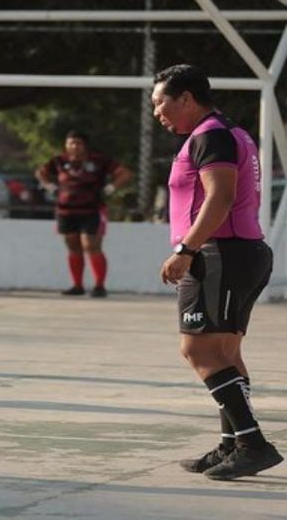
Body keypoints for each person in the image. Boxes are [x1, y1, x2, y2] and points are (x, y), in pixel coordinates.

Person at [153, 64, 282, 480]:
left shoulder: (211, 135)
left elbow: (219, 197)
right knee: (226, 354)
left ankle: (252, 444)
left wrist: (186, 250)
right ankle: (233, 445)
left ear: (186, 98)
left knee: (198, 351)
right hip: (239, 252)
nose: (157, 112)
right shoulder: (226, 131)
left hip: (220, 254)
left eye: (161, 103)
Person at [35, 130, 132, 298]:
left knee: (91, 246)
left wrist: (111, 188)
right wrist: (49, 186)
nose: (74, 146)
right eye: (70, 143)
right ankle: (77, 285)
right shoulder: (59, 161)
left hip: (92, 210)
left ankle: (99, 286)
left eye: (78, 143)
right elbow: (41, 172)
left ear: (85, 145)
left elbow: (125, 173)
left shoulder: (99, 161)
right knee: (73, 247)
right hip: (66, 210)